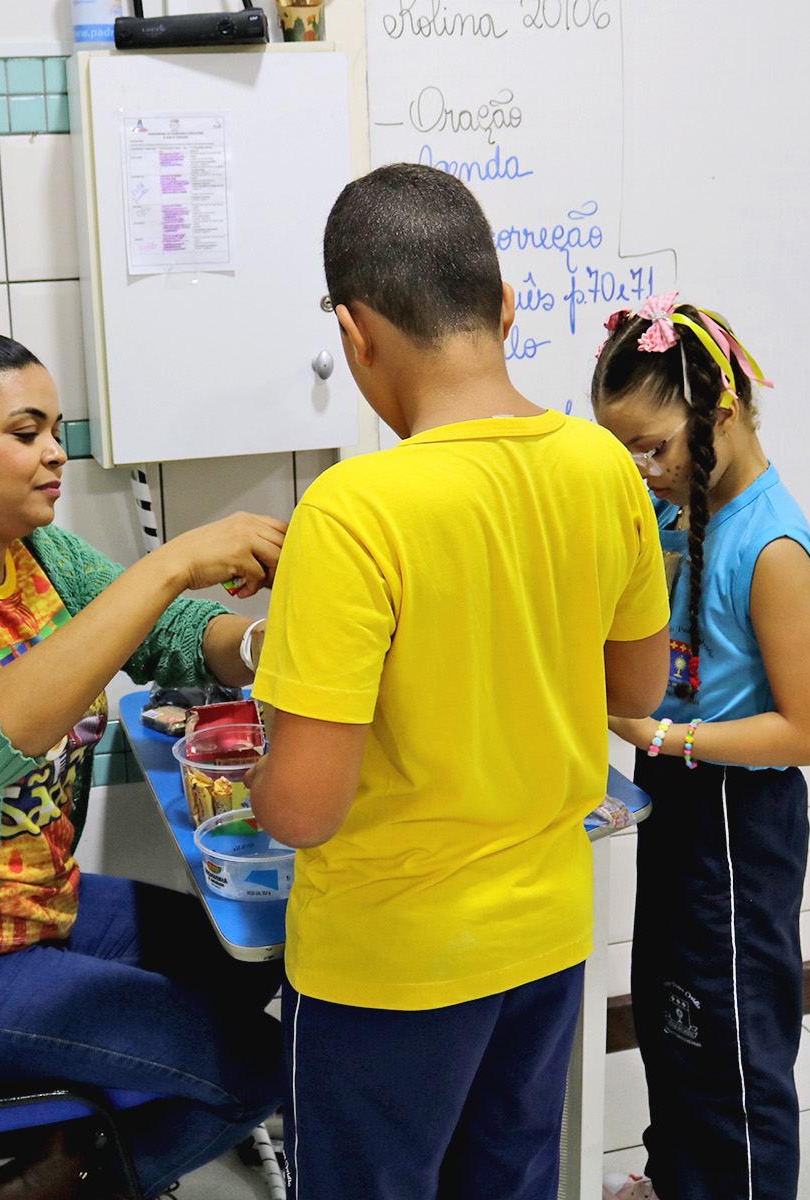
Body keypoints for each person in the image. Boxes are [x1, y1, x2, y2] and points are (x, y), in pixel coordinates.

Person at [244, 163, 673, 1200]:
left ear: (355, 333)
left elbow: (301, 809)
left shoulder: (355, 510)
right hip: (544, 937)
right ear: (506, 306)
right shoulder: (603, 467)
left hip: (388, 964)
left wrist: (259, 764)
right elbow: (637, 687)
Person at [0, 330, 288, 1200]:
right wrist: (172, 563)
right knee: (264, 1065)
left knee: (261, 957)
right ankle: (84, 1185)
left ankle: (68, 1152)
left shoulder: (38, 556)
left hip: (39, 910)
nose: (56, 453)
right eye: (26, 432)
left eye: (57, 432)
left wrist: (268, 644)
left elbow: (172, 636)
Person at [591, 294, 810, 1200]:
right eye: (624, 452)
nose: (643, 469)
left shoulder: (771, 548)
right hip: (677, 788)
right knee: (672, 1010)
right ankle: (676, 1179)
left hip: (740, 816)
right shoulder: (678, 516)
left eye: (653, 447)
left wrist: (662, 734)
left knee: (733, 1036)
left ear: (722, 413)